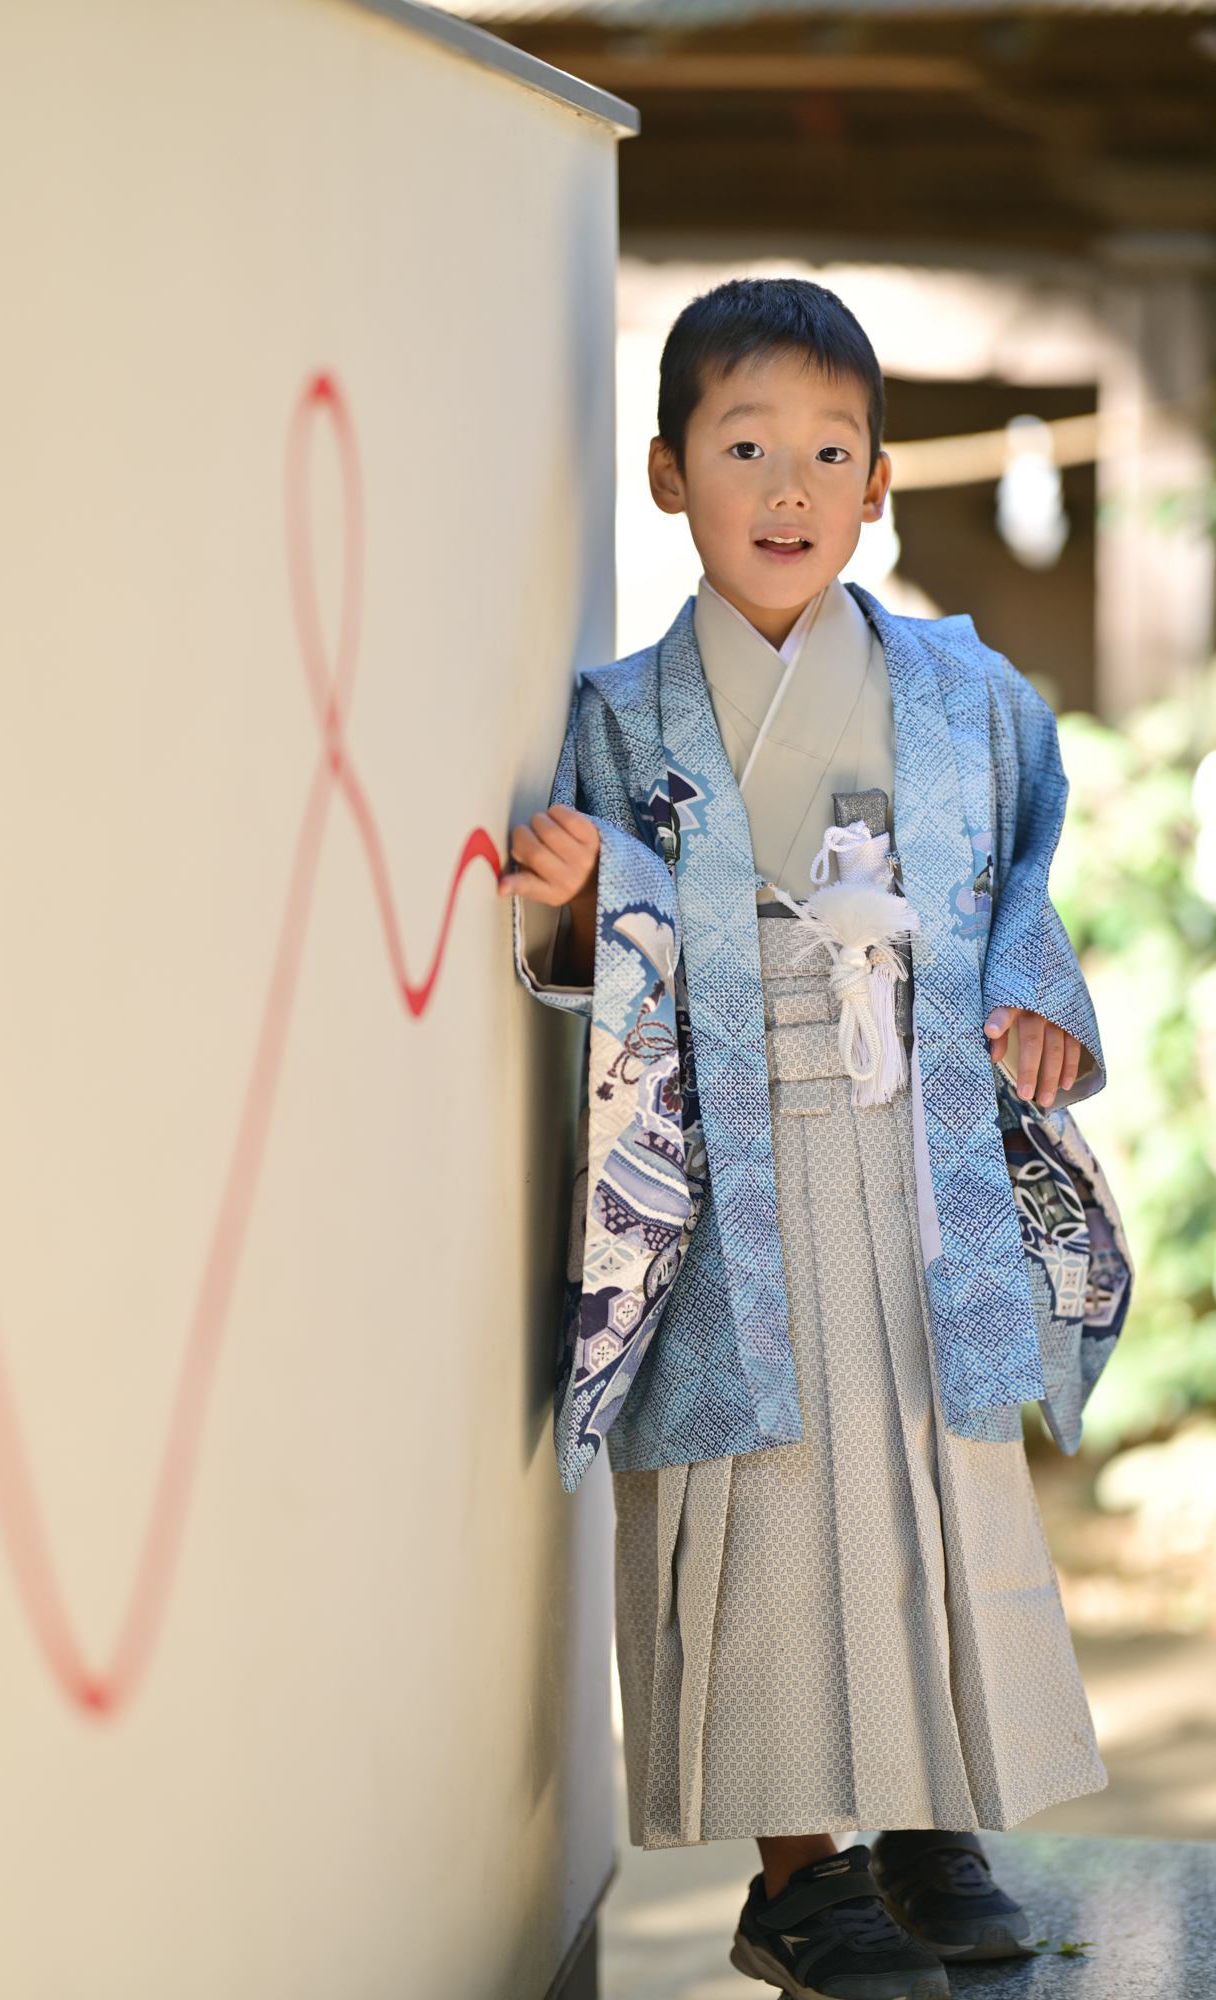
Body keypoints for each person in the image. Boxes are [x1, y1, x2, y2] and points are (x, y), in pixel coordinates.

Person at [500, 278, 1132, 2000]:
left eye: (826, 453)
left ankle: (925, 1821)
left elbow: (1018, 868)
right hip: (727, 1163)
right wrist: (587, 902)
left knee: (938, 1482)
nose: (785, 487)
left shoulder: (960, 689)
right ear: (664, 475)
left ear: (877, 488)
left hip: (912, 1130)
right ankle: (798, 1872)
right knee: (764, 1502)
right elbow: (606, 947)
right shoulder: (623, 715)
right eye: (743, 445)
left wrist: (1025, 990)